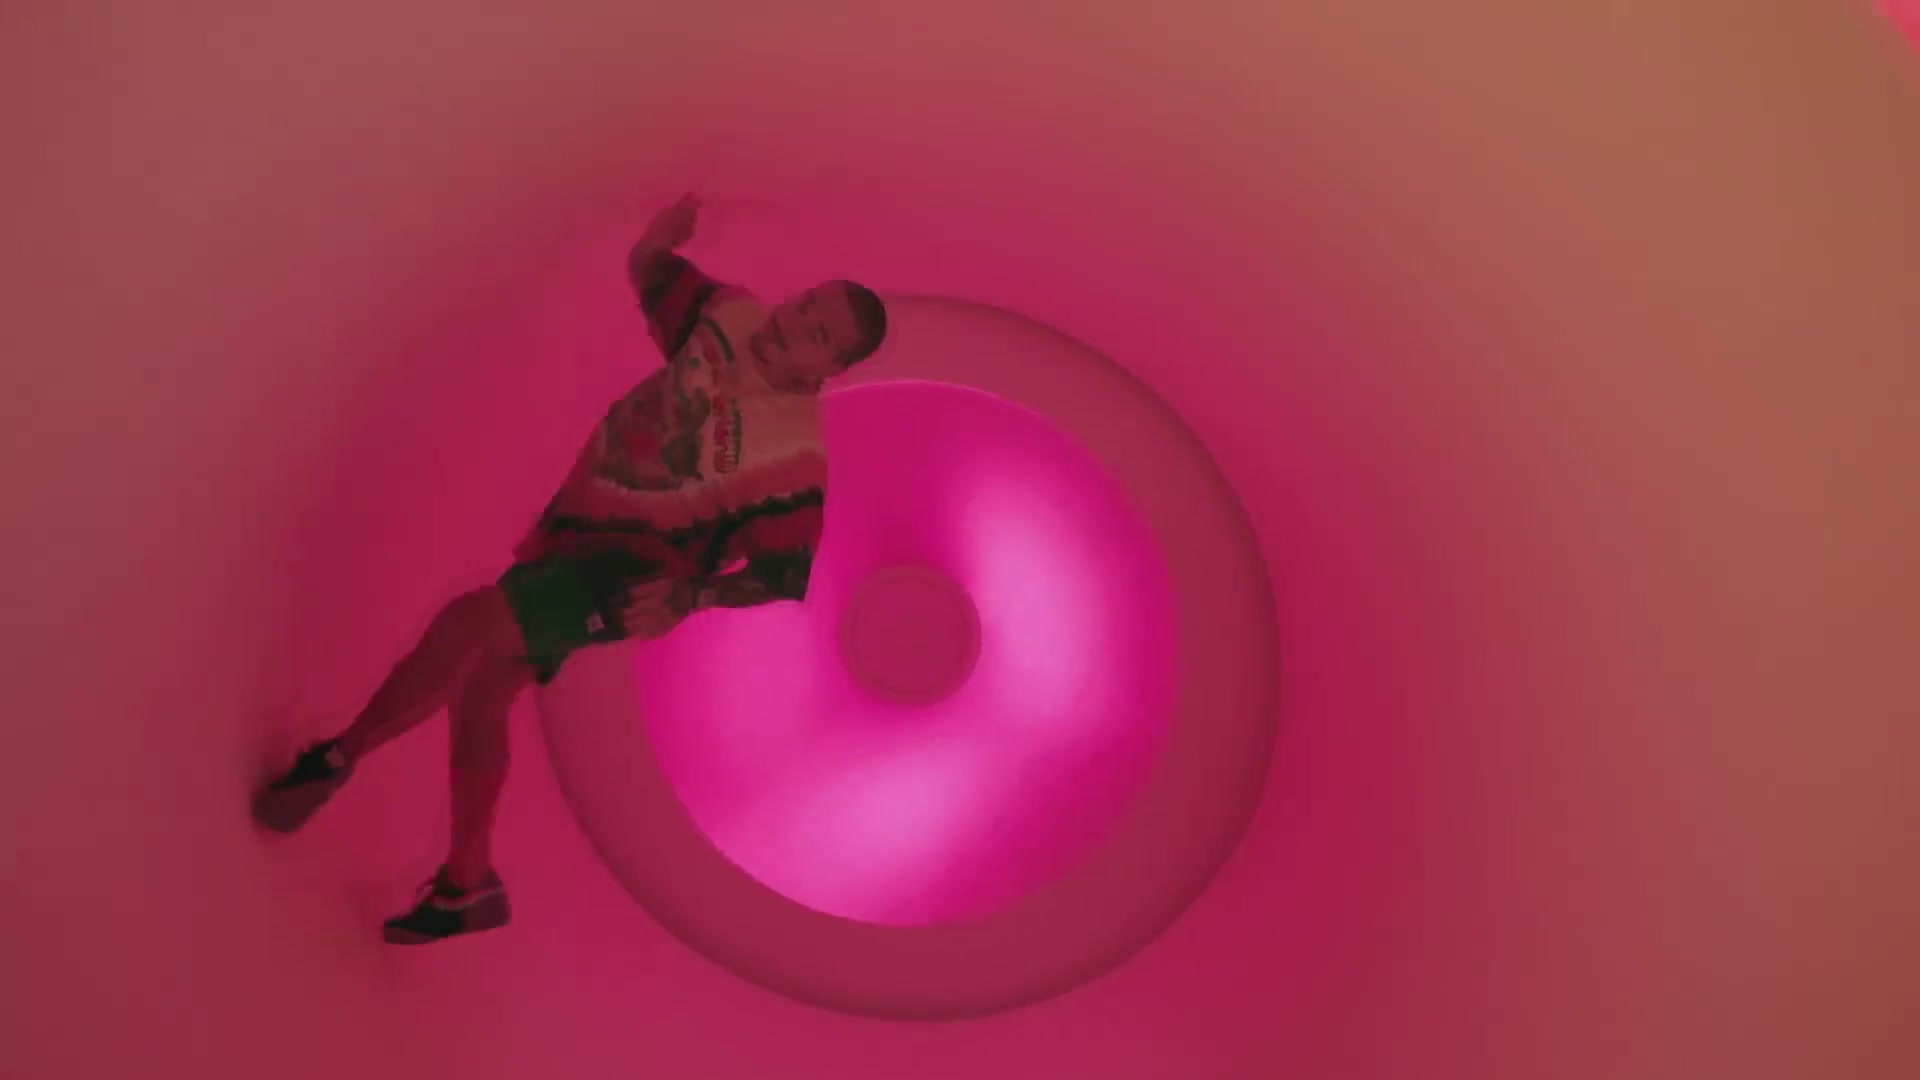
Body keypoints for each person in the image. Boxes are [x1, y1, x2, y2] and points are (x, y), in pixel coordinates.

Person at [251, 194, 888, 945]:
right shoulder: (731, 316)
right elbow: (651, 272)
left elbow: (783, 575)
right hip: (574, 529)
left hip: (623, 579)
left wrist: (687, 596)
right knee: (484, 694)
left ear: (829, 369)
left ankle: (338, 756)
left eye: (817, 333)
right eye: (806, 304)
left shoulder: (792, 458)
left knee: (469, 621)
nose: (793, 323)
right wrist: (659, 235)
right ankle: (465, 884)